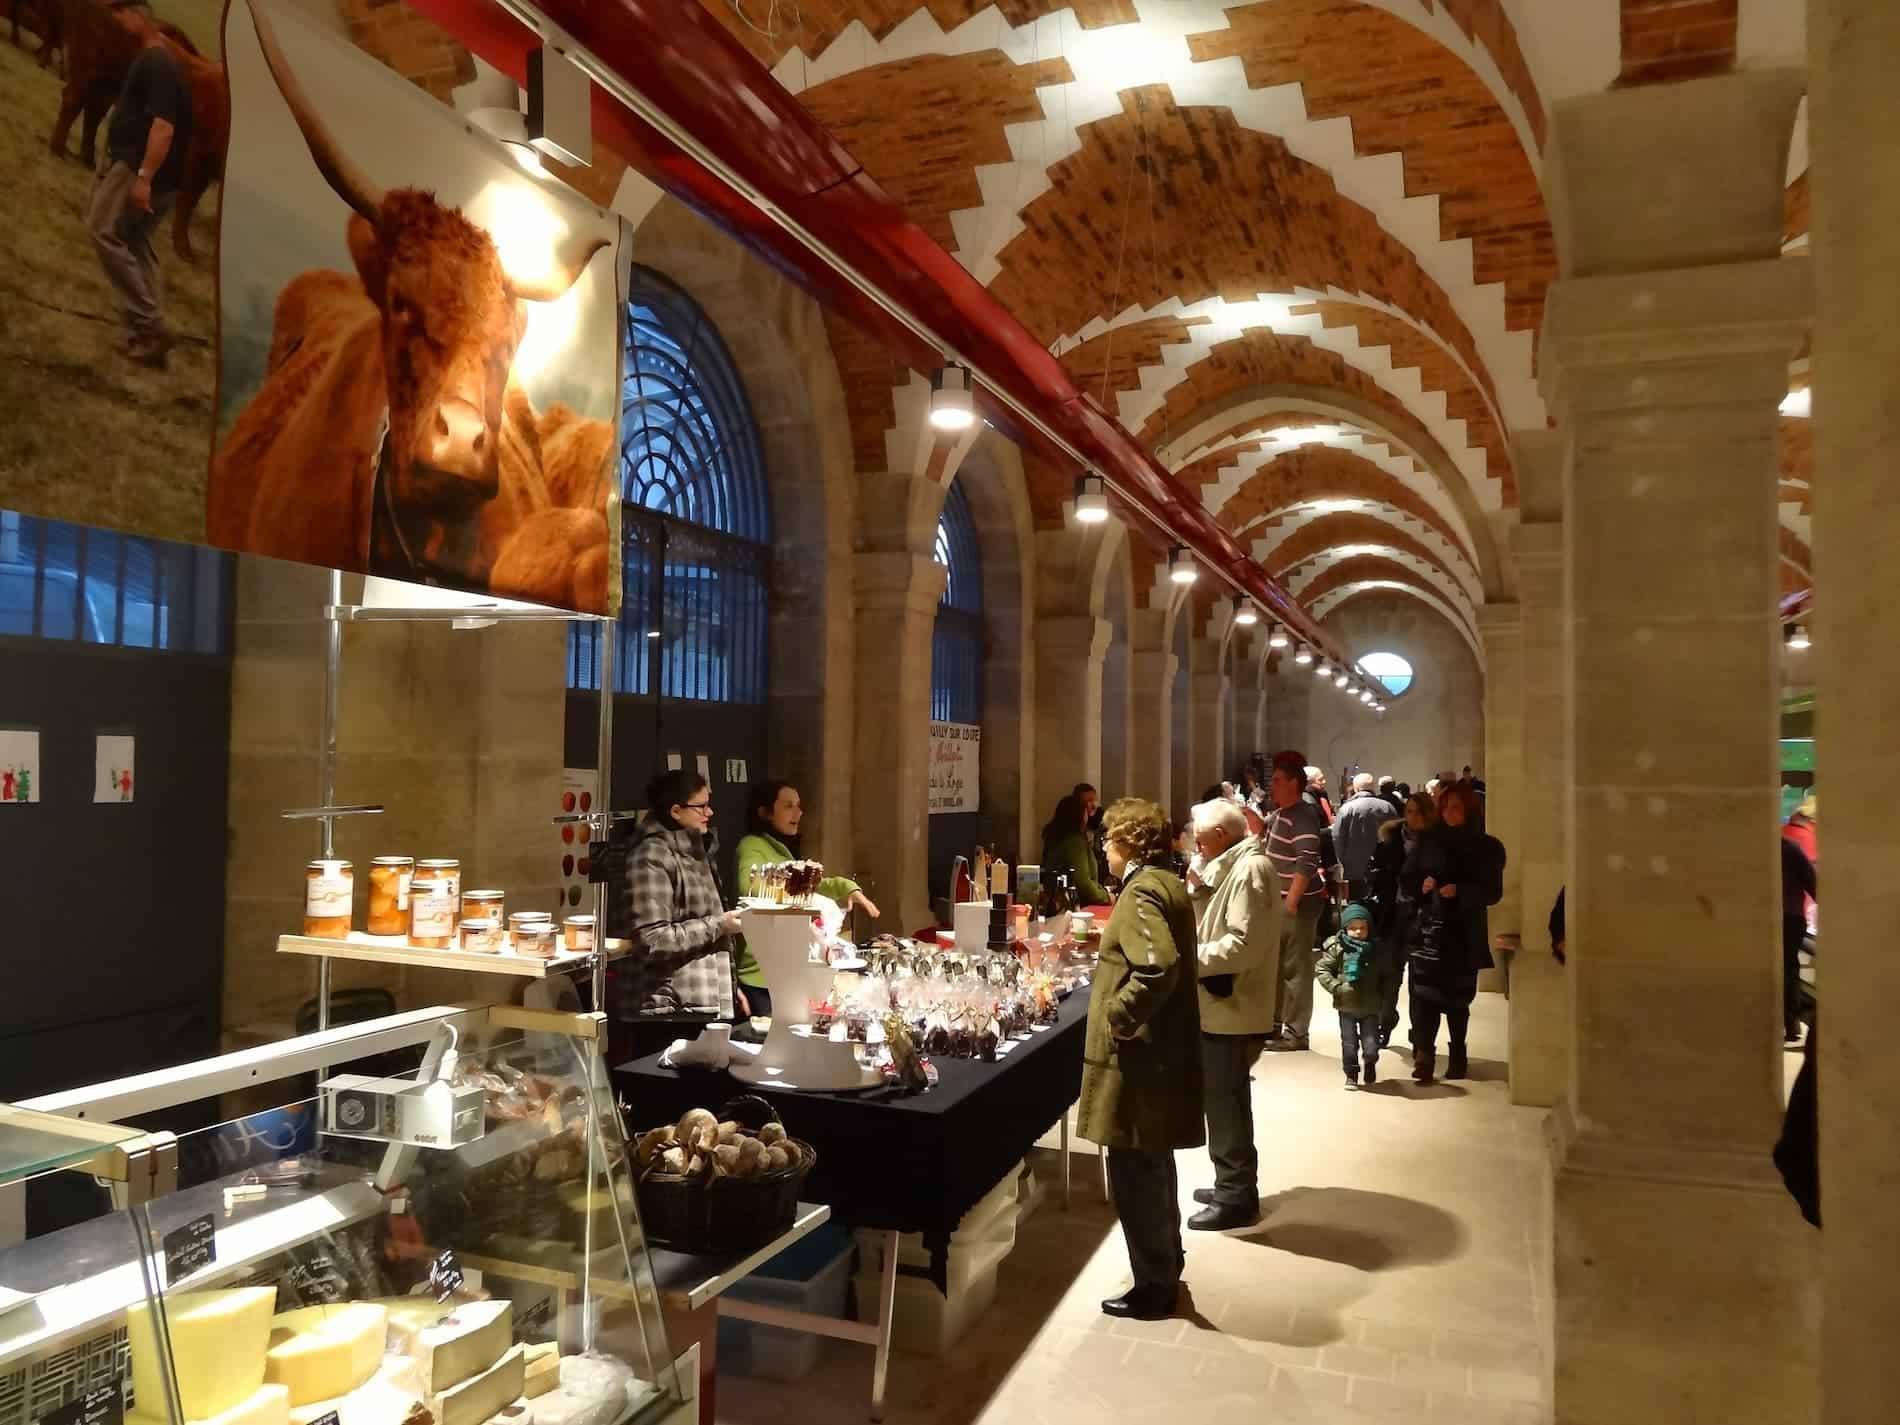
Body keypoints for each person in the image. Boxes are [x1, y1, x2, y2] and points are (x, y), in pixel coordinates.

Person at [1077, 798, 1204, 1320]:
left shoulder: (1141, 892)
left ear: (1126, 842)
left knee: (1135, 1174)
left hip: (1140, 1061)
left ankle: (1154, 1285)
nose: (1104, 850)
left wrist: (1118, 1016)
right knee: (1154, 1165)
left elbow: (1157, 966)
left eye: (1107, 840)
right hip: (1160, 1056)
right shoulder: (1166, 883)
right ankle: (1165, 1265)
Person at [1183, 798, 1279, 1231]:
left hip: (1234, 1006)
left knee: (1227, 1102)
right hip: (1222, 1005)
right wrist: (1200, 891)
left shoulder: (1252, 870)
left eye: (1200, 839)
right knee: (1222, 1100)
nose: (1196, 846)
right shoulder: (1233, 865)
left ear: (1221, 835)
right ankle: (1230, 1183)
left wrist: (1187, 957)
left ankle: (1236, 1196)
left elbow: (1243, 945)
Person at [88, 1, 193, 369]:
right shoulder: (157, 59)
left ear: (138, 12)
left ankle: (151, 324)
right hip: (155, 174)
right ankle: (146, 338)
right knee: (137, 243)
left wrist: (144, 178)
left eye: (120, 12)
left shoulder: (157, 63)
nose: (117, 21)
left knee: (103, 231)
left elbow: (164, 128)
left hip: (138, 170)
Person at [732, 780, 881, 1019]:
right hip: (761, 973)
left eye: (799, 806)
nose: (798, 813)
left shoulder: (782, 849)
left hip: (789, 967)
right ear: (764, 812)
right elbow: (752, 887)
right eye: (788, 806)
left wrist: (846, 887)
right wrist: (805, 895)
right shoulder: (751, 845)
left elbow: (811, 886)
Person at [620, 769, 745, 1024]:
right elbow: (652, 939)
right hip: (666, 1011)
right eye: (701, 806)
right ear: (676, 811)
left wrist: (729, 991)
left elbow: (709, 938)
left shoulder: (698, 850)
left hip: (703, 1007)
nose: (709, 813)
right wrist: (722, 924)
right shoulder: (650, 855)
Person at [1401, 781, 1503, 1082]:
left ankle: (1458, 1053)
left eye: (1456, 806)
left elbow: (1492, 892)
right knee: (1423, 997)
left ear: (1469, 809)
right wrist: (1422, 887)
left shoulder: (1486, 847)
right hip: (1429, 930)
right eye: (1445, 806)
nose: (1449, 812)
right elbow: (1408, 879)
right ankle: (1424, 1056)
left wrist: (1460, 891)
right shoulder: (1429, 841)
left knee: (1458, 1001)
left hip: (1463, 932)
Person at [1262, 752, 1325, 1051]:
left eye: (1276, 781)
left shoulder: (1301, 815)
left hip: (1296, 905)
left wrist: (1291, 903)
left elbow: (1307, 862)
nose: (1271, 786)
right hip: (1281, 902)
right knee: (1276, 967)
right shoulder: (1281, 814)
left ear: (1294, 783)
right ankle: (1273, 1025)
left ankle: (1297, 1033)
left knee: (1296, 969)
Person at [1316, 904, 1384, 1088]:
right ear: (1345, 928)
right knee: (1349, 1044)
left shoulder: (1376, 950)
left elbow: (1387, 976)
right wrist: (1337, 987)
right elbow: (1322, 969)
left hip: (1370, 1006)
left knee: (1371, 1045)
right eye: (1353, 928)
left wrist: (1385, 998)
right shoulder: (1337, 948)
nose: (1357, 932)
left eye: (1362, 928)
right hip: (1346, 1005)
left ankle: (1370, 1063)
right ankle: (1351, 1073)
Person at [1366, 804, 1417, 1045]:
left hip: (1422, 916)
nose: (1413, 817)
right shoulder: (1389, 842)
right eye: (1410, 811)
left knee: (1417, 979)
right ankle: (1384, 1020)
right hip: (1391, 913)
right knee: (1390, 972)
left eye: (1419, 812)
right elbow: (1373, 876)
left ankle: (1418, 1035)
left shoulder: (1434, 844)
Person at [1332, 773, 1391, 903]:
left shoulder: (1347, 808)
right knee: (1381, 906)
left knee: (1355, 904)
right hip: (1383, 866)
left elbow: (1337, 837)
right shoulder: (1387, 807)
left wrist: (1341, 861)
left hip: (1353, 867)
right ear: (1373, 787)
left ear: (1356, 788)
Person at [1043, 793, 1110, 906]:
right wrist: (1106, 897)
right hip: (1075, 903)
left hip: (1058, 901)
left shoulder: (1056, 836)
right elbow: (1082, 881)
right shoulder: (1074, 840)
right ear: (1079, 814)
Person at [1781, 835, 1816, 1044]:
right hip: (1791, 917)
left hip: (1763, 918)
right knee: (1788, 968)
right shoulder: (1790, 847)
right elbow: (1813, 883)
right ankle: (1791, 1023)